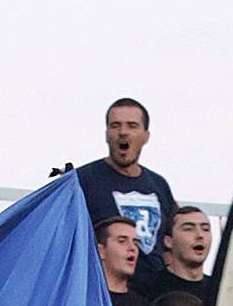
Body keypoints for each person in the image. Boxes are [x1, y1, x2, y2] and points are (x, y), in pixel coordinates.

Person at [74, 98, 176, 274]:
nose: (123, 132)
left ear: (146, 136)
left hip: (151, 294)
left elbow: (173, 237)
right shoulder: (82, 180)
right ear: (107, 134)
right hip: (104, 291)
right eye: (115, 126)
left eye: (132, 125)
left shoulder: (158, 185)